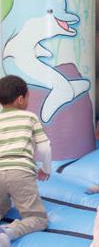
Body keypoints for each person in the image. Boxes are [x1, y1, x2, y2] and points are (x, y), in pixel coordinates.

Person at [0, 75, 52, 246]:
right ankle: (10, 232)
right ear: (21, 99)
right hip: (20, 173)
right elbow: (44, 147)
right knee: (37, 219)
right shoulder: (29, 117)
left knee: (2, 207)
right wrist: (46, 168)